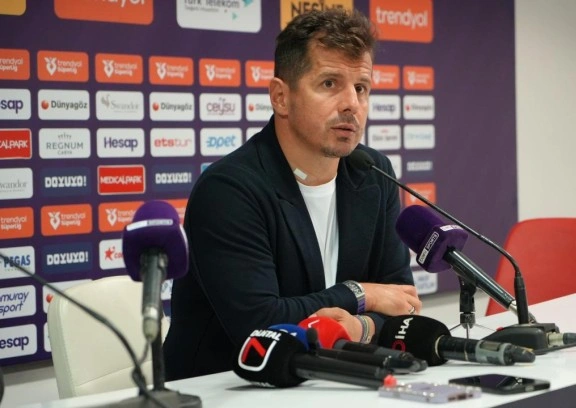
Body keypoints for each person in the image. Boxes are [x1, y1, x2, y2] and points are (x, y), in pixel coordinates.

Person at [163, 8, 422, 380]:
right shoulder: (229, 190)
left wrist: (358, 327)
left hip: (330, 380)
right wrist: (359, 293)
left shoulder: (373, 174)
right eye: (330, 83)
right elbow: (260, 326)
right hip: (224, 389)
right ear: (281, 97)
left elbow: (402, 303)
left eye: (361, 88)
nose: (352, 103)